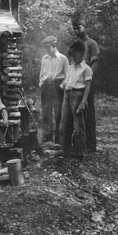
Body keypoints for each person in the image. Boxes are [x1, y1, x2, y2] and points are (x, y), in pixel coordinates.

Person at [59, 40, 93, 161]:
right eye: (72, 55)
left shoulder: (86, 69)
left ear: (82, 54)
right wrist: (62, 84)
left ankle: (80, 152)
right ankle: (65, 150)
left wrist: (83, 102)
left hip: (78, 96)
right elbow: (67, 81)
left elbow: (88, 87)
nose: (73, 57)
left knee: (78, 126)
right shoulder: (70, 67)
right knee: (63, 124)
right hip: (67, 95)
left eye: (76, 55)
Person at [72, 19, 100, 152]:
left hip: (87, 81)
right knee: (76, 112)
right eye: (74, 28)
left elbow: (94, 64)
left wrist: (88, 80)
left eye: (78, 28)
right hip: (76, 83)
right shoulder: (76, 44)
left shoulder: (92, 44)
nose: (76, 31)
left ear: (85, 27)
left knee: (89, 113)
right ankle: (79, 143)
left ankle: (91, 144)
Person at [39, 35, 69, 143]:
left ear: (54, 45)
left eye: (48, 47)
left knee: (58, 114)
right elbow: (41, 74)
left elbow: (68, 76)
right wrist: (41, 83)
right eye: (45, 48)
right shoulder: (44, 58)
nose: (46, 50)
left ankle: (58, 141)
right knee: (46, 114)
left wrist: (61, 86)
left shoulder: (63, 58)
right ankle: (47, 140)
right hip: (46, 87)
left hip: (58, 87)